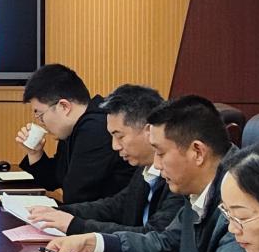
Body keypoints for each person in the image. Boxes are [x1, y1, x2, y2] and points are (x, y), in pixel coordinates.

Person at [46, 93, 252, 252]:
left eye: (160, 153)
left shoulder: (243, 195)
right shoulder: (199, 184)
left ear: (197, 152)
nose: (157, 165)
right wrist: (94, 242)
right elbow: (166, 245)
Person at [29, 84, 183, 237]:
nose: (115, 146)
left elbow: (153, 237)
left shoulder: (178, 176)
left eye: (120, 136)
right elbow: (117, 206)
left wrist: (75, 225)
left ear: (148, 131)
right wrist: (59, 212)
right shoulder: (144, 167)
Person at [15, 63, 133, 204]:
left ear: (64, 106)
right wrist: (35, 153)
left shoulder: (95, 128)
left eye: (40, 115)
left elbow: (75, 197)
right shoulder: (73, 128)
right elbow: (53, 180)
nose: (41, 122)